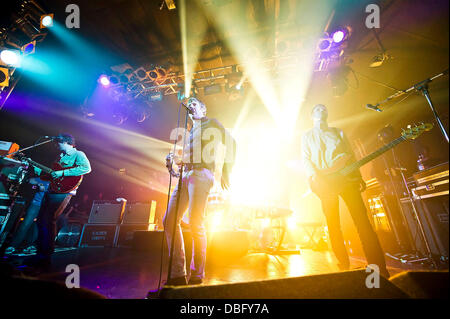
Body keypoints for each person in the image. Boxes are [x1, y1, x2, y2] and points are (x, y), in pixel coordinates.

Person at [301, 104, 389, 277]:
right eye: (317, 108)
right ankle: (343, 266)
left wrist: (358, 177)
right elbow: (306, 158)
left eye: (324, 108)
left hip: (347, 180)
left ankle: (378, 269)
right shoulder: (306, 135)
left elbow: (351, 155)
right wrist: (316, 177)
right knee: (333, 225)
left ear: (327, 113)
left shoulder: (338, 132)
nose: (321, 109)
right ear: (312, 115)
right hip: (325, 183)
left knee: (363, 223)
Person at [163, 97, 236, 286]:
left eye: (195, 103)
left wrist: (226, 169)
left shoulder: (212, 123)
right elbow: (185, 160)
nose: (191, 105)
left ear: (203, 110)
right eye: (190, 104)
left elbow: (231, 142)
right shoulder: (189, 132)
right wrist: (173, 164)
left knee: (196, 222)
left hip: (202, 174)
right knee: (169, 220)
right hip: (185, 175)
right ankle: (178, 272)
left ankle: (197, 274)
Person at [27, 133, 91, 271]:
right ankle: (40, 253)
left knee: (49, 221)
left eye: (59, 143)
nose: (57, 146)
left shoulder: (78, 154)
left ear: (67, 142)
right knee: (41, 221)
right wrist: (37, 169)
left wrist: (62, 173)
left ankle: (45, 256)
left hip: (64, 192)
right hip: (53, 190)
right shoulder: (60, 156)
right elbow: (53, 174)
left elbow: (86, 168)